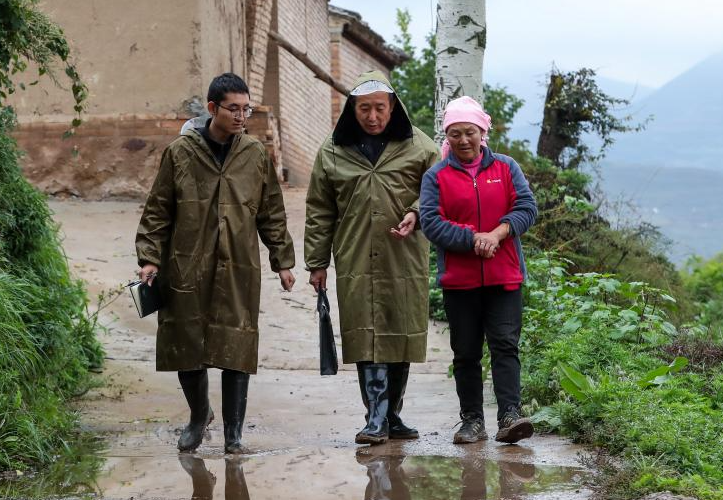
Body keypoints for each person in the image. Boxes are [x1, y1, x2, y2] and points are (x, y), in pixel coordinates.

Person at [135, 72, 295, 454]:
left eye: (247, 109)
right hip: (187, 264)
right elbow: (157, 210)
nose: (242, 116)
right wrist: (149, 259)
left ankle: (234, 433)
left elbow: (272, 211)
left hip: (239, 265)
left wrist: (282, 261)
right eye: (234, 109)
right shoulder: (180, 153)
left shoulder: (254, 154)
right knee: (188, 341)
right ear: (213, 108)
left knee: (236, 343)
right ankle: (197, 415)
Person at [304, 70, 439, 445]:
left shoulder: (419, 146)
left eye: (380, 108)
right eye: (365, 109)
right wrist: (317, 262)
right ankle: (375, 417)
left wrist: (415, 212)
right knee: (367, 334)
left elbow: (437, 189)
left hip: (404, 256)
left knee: (400, 332)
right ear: (353, 108)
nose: (373, 117)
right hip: (355, 254)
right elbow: (319, 209)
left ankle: (391, 414)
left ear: (393, 106)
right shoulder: (333, 150)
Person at [419, 96, 538, 444]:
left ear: (482, 132)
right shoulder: (436, 176)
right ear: (447, 136)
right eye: (455, 134)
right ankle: (472, 420)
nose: (463, 140)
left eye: (469, 132)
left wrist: (498, 233)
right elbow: (431, 222)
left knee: (505, 346)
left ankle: (510, 416)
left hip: (504, 277)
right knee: (466, 352)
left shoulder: (505, 168)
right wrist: (473, 239)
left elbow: (527, 208)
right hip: (461, 282)